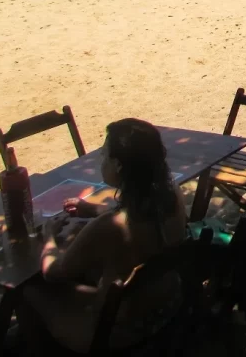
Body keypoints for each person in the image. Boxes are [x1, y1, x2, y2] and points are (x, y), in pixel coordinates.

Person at [21, 119, 186, 353]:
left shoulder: (108, 227)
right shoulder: (172, 194)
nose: (101, 158)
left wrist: (48, 237)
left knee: (29, 289)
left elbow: (54, 272)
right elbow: (137, 217)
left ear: (118, 165)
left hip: (120, 330)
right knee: (87, 274)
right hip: (166, 305)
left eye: (104, 153)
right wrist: (92, 209)